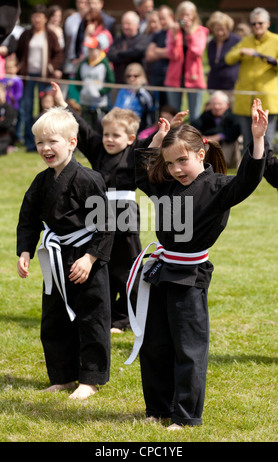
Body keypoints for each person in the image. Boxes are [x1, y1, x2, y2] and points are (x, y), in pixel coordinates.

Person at [126, 98, 267, 429]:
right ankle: (157, 409)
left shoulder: (218, 187)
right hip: (160, 272)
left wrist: (257, 139)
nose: (176, 169)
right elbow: (139, 173)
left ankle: (186, 416)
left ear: (200, 154)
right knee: (155, 343)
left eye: (182, 161)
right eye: (170, 163)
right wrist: (159, 140)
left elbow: (247, 180)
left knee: (188, 349)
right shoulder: (168, 185)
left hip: (190, 276)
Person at [17, 106, 113, 399]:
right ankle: (62, 375)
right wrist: (25, 251)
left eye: (52, 141)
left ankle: (90, 379)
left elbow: (107, 224)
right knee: (55, 318)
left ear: (72, 142)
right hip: (55, 257)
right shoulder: (41, 181)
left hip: (85, 258)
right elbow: (29, 219)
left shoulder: (88, 179)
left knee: (91, 317)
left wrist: (90, 257)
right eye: (40, 143)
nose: (45, 148)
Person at [50, 81, 141, 332]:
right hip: (98, 218)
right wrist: (62, 103)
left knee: (129, 270)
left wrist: (164, 133)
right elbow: (82, 127)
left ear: (131, 139)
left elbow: (156, 149)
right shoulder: (98, 149)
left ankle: (127, 317)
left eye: (117, 135)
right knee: (103, 268)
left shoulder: (135, 155)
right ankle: (105, 314)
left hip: (125, 221)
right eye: (107, 134)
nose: (110, 140)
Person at [225, 7, 278, 151]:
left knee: (266, 142)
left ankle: (267, 172)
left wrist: (271, 61)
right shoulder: (246, 41)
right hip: (245, 99)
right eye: (253, 24)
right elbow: (229, 58)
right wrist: (241, 52)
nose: (257, 26)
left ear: (267, 24)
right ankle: (249, 173)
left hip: (267, 99)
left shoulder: (276, 41)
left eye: (260, 23)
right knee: (248, 143)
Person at [16, 4, 63, 152]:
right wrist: (20, 66)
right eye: (35, 16)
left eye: (40, 17)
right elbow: (19, 52)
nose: (37, 19)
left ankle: (46, 141)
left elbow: (58, 54)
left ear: (45, 19)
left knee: (46, 109)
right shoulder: (26, 34)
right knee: (27, 108)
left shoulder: (50, 35)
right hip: (28, 76)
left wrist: (51, 67)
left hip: (44, 77)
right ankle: (29, 142)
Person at [164, 0, 209, 122]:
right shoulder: (173, 31)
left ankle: (193, 139)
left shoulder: (201, 31)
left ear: (194, 16)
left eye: (188, 14)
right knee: (174, 114)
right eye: (182, 14)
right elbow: (172, 55)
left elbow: (197, 51)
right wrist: (174, 36)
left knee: (195, 115)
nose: (185, 18)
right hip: (174, 77)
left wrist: (190, 33)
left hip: (194, 78)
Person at [74, 34, 115, 132]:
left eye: (92, 49)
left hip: (100, 102)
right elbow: (77, 79)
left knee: (99, 127)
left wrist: (100, 92)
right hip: (85, 100)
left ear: (98, 49)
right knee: (85, 126)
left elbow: (111, 81)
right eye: (89, 49)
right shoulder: (84, 63)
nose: (90, 52)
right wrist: (82, 90)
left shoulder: (104, 63)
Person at [191, 91, 242, 168]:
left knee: (231, 143)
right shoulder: (206, 115)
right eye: (214, 104)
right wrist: (202, 136)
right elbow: (195, 126)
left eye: (219, 104)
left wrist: (220, 136)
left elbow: (235, 131)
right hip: (209, 143)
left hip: (227, 143)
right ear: (210, 105)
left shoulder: (233, 116)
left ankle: (224, 163)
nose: (216, 107)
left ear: (227, 105)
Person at [107, 11, 150, 83]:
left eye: (128, 24)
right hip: (118, 81)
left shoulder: (143, 39)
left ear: (137, 25)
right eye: (123, 23)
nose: (125, 26)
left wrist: (119, 53)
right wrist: (126, 56)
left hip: (136, 84)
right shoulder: (118, 39)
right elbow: (110, 55)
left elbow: (136, 52)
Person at [145, 5, 175, 107]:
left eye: (163, 19)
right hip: (156, 76)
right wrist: (166, 52)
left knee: (170, 107)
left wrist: (157, 51)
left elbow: (174, 53)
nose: (161, 22)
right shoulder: (157, 34)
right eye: (160, 19)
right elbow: (149, 55)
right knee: (157, 108)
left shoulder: (177, 31)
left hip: (171, 77)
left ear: (171, 16)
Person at [206, 11, 241, 91]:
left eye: (222, 29)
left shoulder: (236, 41)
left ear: (228, 28)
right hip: (214, 85)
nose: (220, 33)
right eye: (217, 30)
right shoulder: (212, 43)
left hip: (231, 86)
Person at [113, 62, 154, 132]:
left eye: (135, 76)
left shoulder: (145, 92)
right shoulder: (123, 90)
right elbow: (116, 108)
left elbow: (148, 108)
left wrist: (137, 92)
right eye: (129, 76)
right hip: (121, 121)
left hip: (138, 124)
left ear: (142, 76)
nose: (132, 78)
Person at [63, 0, 89, 82]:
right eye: (79, 2)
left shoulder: (93, 19)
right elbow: (67, 39)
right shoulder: (70, 20)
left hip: (87, 59)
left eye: (84, 2)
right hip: (72, 58)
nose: (82, 5)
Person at [0, 82, 17, 154]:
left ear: (4, 92)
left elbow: (6, 124)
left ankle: (9, 148)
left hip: (4, 137)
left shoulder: (9, 108)